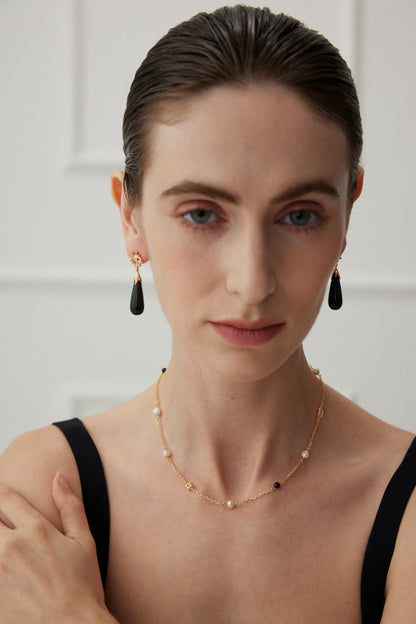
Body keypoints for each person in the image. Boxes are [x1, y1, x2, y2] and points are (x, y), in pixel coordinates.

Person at [0, 5, 415, 623]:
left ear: (348, 212)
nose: (251, 282)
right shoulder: (49, 486)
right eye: (201, 213)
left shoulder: (406, 507)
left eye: (299, 215)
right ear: (130, 216)